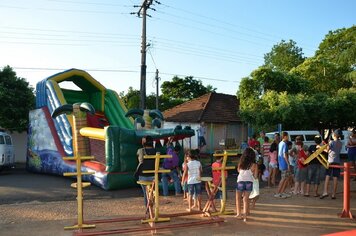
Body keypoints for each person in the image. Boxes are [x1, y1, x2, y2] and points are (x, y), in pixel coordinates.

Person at [235, 147, 258, 222]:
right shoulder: (254, 165)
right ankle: (245, 215)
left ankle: (239, 214)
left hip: (240, 181)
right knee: (246, 199)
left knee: (238, 198)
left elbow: (238, 171)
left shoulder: (241, 163)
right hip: (249, 182)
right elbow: (255, 176)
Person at [320, 129, 343, 199]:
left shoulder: (331, 142)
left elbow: (327, 150)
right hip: (337, 161)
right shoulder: (340, 143)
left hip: (330, 161)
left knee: (327, 176)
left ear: (334, 135)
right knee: (335, 177)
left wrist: (320, 147)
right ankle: (333, 194)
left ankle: (325, 192)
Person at [136, 136, 156, 206]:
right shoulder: (156, 151)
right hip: (154, 176)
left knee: (146, 193)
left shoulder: (140, 150)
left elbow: (139, 160)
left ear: (144, 142)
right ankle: (152, 206)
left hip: (143, 176)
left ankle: (148, 210)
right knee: (152, 192)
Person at [274, 131, 292, 199]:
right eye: (287, 136)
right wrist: (288, 164)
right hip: (284, 163)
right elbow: (284, 154)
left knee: (286, 178)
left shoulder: (281, 143)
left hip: (282, 163)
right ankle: (278, 193)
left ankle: (282, 192)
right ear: (285, 136)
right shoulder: (284, 144)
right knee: (284, 178)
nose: (288, 137)